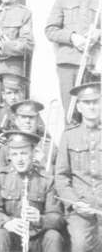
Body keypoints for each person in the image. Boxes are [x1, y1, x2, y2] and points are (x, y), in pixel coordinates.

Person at [0, 130, 65, 252]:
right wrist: (7, 223)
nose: (19, 159)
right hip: (12, 235)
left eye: (24, 153)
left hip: (37, 237)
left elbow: (58, 218)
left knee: (53, 236)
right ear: (9, 156)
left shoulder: (46, 180)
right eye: (14, 154)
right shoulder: (0, 178)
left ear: (33, 153)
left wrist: (40, 219)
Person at [45, 0, 101, 115]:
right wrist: (72, 37)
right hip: (67, 65)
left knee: (92, 113)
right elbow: (50, 30)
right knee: (71, 112)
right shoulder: (63, 0)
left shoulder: (99, 1)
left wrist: (99, 33)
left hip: (91, 65)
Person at [55, 82, 102, 252]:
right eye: (87, 102)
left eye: (96, 101)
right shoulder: (68, 136)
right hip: (81, 211)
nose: (92, 106)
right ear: (79, 107)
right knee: (81, 245)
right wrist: (74, 202)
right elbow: (61, 177)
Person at [0, 100, 56, 174]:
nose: (27, 121)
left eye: (31, 117)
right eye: (23, 117)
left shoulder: (49, 147)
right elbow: (0, 175)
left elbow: (58, 175)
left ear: (37, 119)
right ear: (16, 120)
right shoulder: (7, 147)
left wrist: (43, 161)